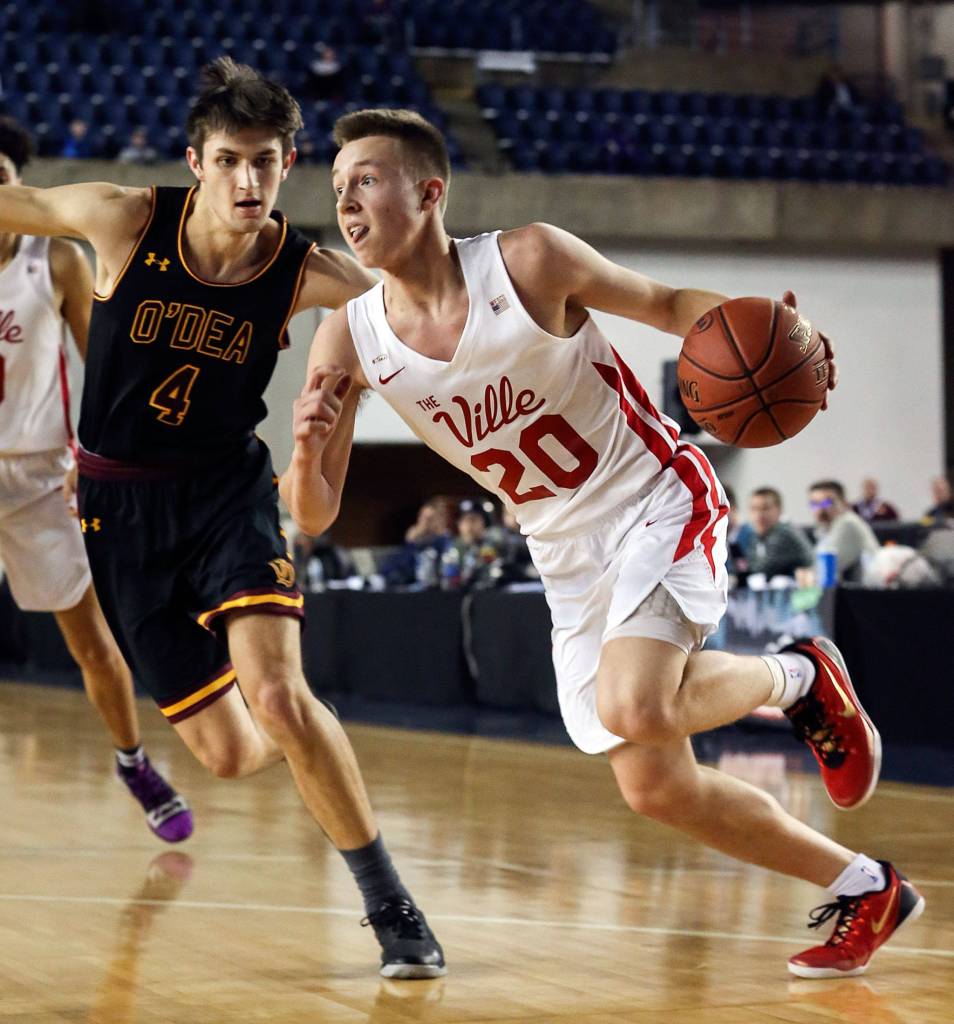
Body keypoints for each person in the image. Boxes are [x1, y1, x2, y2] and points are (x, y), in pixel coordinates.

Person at [281, 107, 924, 980]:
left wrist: (774, 334)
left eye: (366, 178)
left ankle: (802, 676)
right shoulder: (347, 337)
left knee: (636, 706)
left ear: (430, 192)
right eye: (337, 185)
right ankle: (869, 888)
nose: (347, 201)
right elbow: (315, 514)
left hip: (653, 496)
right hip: (563, 552)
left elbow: (666, 305)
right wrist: (306, 450)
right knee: (654, 786)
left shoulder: (527, 260)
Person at [0, 63, 444, 978]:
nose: (250, 180)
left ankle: (389, 903)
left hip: (225, 493)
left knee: (277, 694)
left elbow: (422, 308)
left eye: (267, 162)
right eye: (232, 160)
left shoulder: (305, 271)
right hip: (117, 508)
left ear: (289, 166)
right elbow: (23, 204)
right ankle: (310, 738)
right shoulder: (125, 220)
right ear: (196, 162)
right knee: (234, 754)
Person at [0, 115, 192, 843]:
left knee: (91, 641)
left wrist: (99, 459)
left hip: (40, 475)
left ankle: (133, 761)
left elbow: (104, 370)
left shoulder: (55, 260)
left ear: (20, 185)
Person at [809, 480, 880, 582]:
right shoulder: (824, 529)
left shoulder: (847, 524)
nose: (821, 510)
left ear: (844, 503)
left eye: (827, 503)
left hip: (867, 589)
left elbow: (823, 570)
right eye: (815, 504)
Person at [741, 487, 814, 582]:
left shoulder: (785, 534)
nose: (759, 515)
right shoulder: (759, 534)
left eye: (765, 508)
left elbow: (761, 570)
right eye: (754, 509)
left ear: (779, 510)